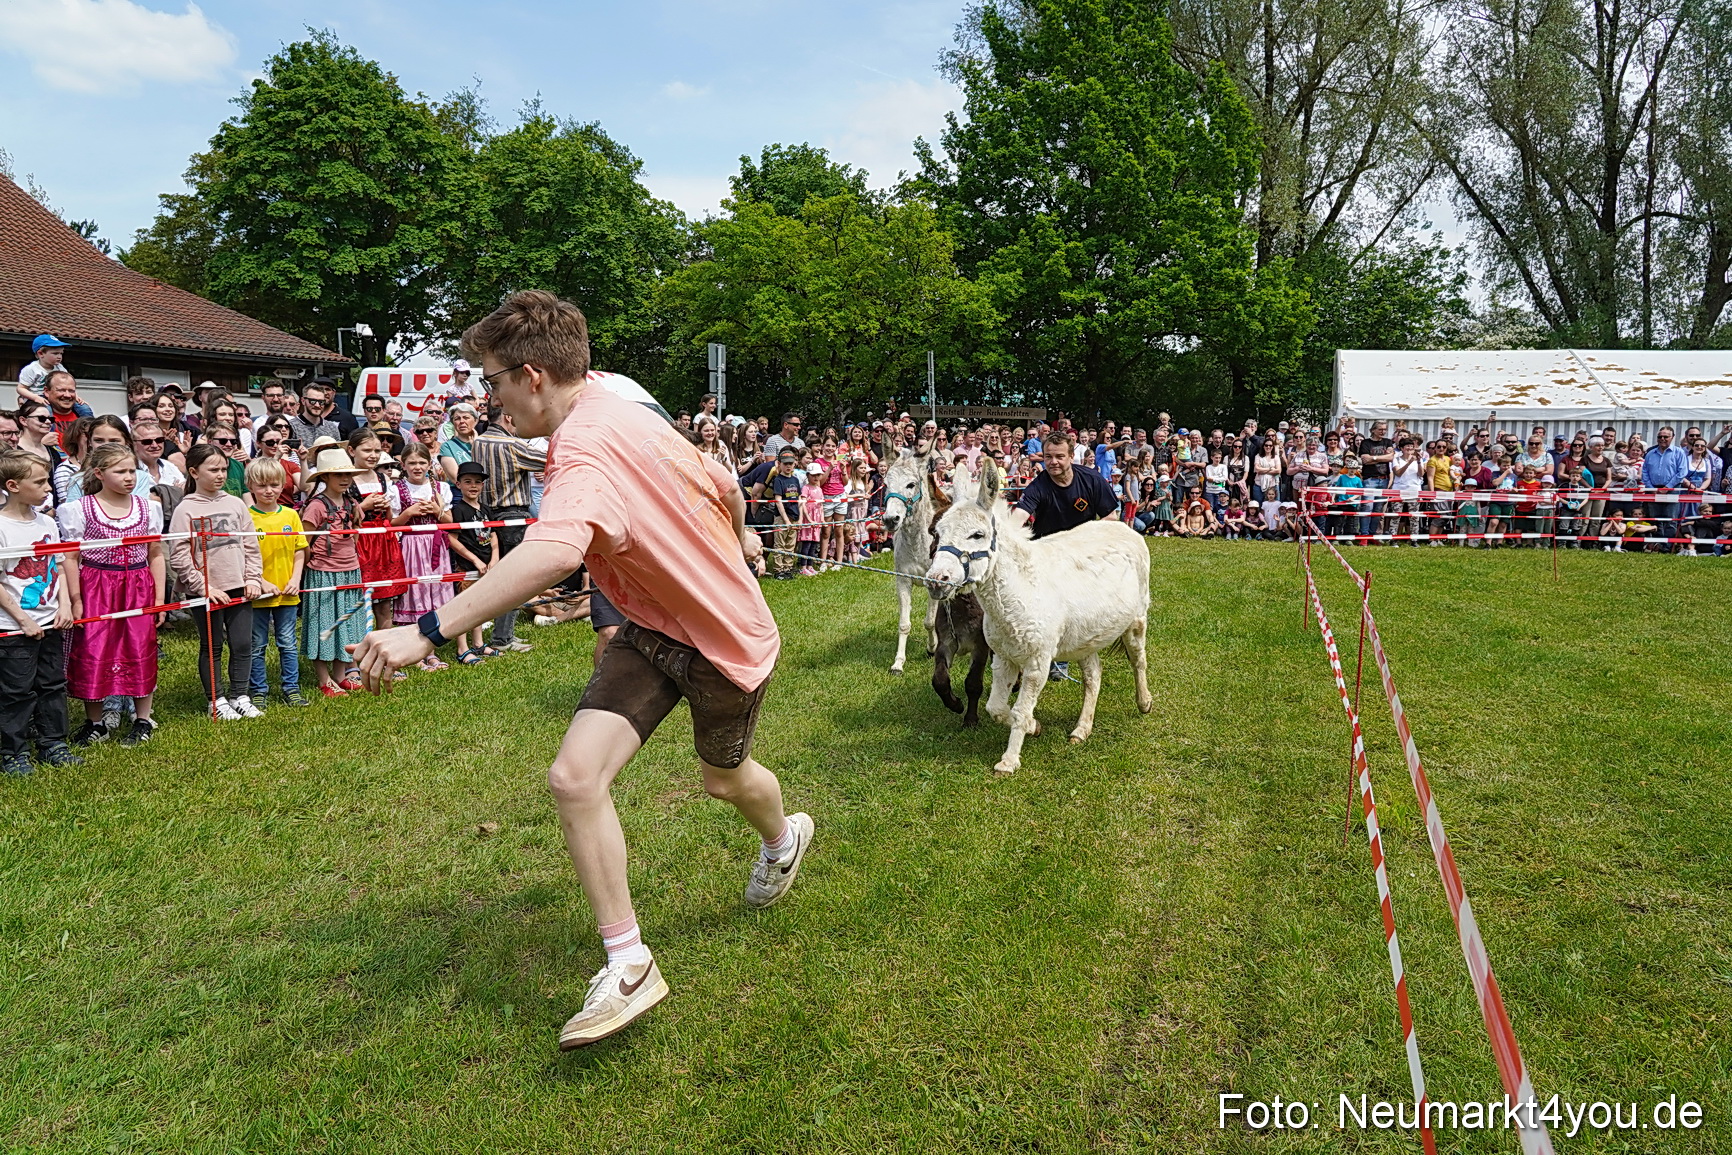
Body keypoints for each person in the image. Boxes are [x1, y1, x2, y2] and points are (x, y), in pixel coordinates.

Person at [349, 290, 809, 1051]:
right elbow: (725, 484)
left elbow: (556, 552)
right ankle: (628, 961)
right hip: (650, 629)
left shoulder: (585, 448)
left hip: (725, 642)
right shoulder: (619, 400)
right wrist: (735, 542)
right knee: (573, 777)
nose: (490, 399)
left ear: (532, 376)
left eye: (494, 381)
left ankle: (783, 837)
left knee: (724, 781)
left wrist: (425, 630)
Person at [59, 445, 164, 746]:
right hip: (96, 585)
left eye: (132, 470)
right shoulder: (81, 509)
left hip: (137, 586)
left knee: (139, 646)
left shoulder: (148, 508)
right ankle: (95, 722)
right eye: (120, 471)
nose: (129, 477)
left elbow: (155, 554)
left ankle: (142, 719)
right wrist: (76, 599)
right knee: (93, 649)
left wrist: (159, 600)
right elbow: (70, 558)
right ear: (99, 473)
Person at [170, 444, 265, 719]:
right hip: (206, 591)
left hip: (239, 585)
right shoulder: (185, 509)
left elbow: (251, 545)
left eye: (223, 469)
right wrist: (204, 587)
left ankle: (240, 695)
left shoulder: (236, 503)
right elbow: (179, 555)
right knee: (212, 646)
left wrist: (253, 578)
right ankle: (216, 700)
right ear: (194, 472)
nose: (221, 475)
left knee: (242, 643)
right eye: (213, 470)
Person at [0, 452, 81, 773]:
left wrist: (65, 605)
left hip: (51, 621)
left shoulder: (47, 522)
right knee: (16, 690)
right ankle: (13, 752)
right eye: (39, 482)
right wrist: (23, 619)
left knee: (52, 683)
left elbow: (58, 567)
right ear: (13, 486)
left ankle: (53, 743)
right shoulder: (2, 527)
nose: (48, 487)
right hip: (14, 627)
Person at [470, 405, 547, 653]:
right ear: (507, 417)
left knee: (496, 578)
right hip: (513, 516)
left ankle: (499, 634)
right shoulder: (512, 445)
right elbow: (549, 460)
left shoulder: (478, 441)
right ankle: (503, 638)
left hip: (486, 515)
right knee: (516, 579)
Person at [299, 446, 371, 695]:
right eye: (338, 474)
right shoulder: (316, 506)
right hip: (323, 573)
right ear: (325, 477)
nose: (345, 479)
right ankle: (323, 678)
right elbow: (304, 542)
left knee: (347, 625)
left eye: (348, 474)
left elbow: (356, 534)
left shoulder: (352, 503)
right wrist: (312, 566)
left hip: (350, 571)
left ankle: (341, 674)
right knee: (323, 626)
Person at [245, 457, 310, 709]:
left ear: (283, 485)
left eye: (274, 485)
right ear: (250, 486)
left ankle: (291, 688)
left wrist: (295, 579)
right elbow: (242, 555)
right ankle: (258, 690)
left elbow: (299, 550)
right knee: (257, 645)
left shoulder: (291, 515)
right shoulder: (246, 517)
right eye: (262, 485)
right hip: (258, 595)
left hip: (287, 593)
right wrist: (260, 582)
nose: (268, 491)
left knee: (288, 643)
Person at [390, 443, 457, 671]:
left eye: (421, 462)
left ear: (429, 464)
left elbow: (450, 521)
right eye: (412, 463)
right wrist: (408, 513)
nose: (417, 467)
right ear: (403, 465)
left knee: (434, 595)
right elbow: (392, 524)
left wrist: (437, 511)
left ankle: (431, 651)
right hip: (411, 546)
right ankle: (415, 652)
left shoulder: (439, 488)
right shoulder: (397, 489)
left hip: (435, 546)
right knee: (415, 594)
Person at [345, 428, 412, 633]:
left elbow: (390, 518)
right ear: (352, 451)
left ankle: (384, 645)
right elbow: (341, 516)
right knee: (359, 600)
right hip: (360, 541)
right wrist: (363, 507)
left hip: (383, 540)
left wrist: (386, 506)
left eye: (376, 451)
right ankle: (358, 646)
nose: (373, 455)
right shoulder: (345, 478)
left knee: (384, 603)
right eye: (367, 450)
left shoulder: (383, 478)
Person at [444, 461, 497, 664]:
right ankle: (462, 648)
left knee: (479, 606)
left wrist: (495, 558)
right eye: (467, 481)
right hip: (466, 567)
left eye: (477, 482)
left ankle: (478, 643)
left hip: (486, 566)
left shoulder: (486, 510)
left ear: (483, 485)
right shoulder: (458, 510)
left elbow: (493, 535)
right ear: (458, 484)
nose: (473, 486)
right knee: (464, 607)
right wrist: (474, 559)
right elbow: (452, 539)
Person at [17, 334, 70, 406]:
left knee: (82, 408)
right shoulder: (31, 369)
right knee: (47, 410)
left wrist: (75, 396)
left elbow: (68, 384)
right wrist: (35, 397)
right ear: (40, 353)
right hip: (36, 398)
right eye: (55, 353)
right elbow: (20, 389)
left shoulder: (60, 368)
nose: (59, 357)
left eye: (61, 353)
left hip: (55, 396)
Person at [438, 402, 480, 481]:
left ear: (475, 420)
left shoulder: (484, 444)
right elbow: (456, 478)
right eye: (457, 419)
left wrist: (476, 445)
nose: (461, 421)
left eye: (466, 418)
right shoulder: (447, 446)